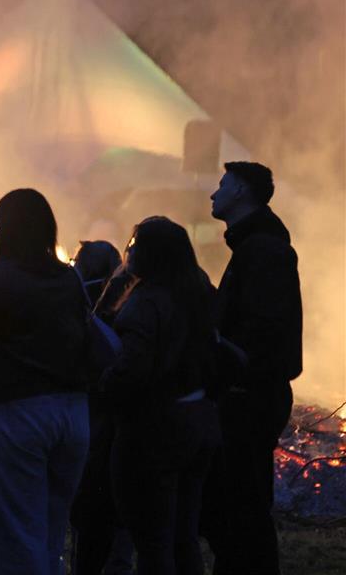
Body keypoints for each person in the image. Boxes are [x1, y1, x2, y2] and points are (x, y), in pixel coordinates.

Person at [0, 188, 90, 575]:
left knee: (8, 537)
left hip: (14, 417)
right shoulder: (68, 278)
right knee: (49, 531)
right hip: (71, 416)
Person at [102, 217, 221, 575]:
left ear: (152, 255)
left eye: (136, 243)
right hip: (198, 421)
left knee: (152, 541)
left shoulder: (147, 303)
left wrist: (101, 383)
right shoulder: (200, 292)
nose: (131, 249)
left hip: (153, 432)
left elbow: (131, 371)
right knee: (184, 537)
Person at [203, 161, 302, 575]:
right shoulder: (256, 247)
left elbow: (261, 331)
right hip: (250, 394)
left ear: (242, 191)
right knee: (240, 508)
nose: (214, 193)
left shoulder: (261, 251)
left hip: (248, 397)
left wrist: (232, 369)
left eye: (223, 184)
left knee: (239, 511)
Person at [68, 239, 134, 575]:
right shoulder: (119, 309)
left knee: (99, 523)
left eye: (78, 263)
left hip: (105, 433)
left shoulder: (113, 317)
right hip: (109, 433)